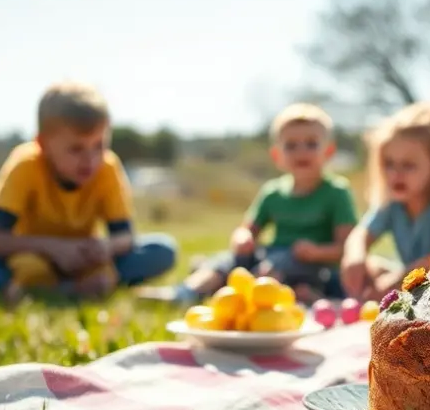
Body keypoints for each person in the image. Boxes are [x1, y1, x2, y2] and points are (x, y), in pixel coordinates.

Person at [0, 82, 177, 302]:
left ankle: (44, 289)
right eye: (76, 149)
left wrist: (105, 246)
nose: (91, 160)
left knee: (163, 250)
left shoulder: (108, 168)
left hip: (79, 263)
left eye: (99, 145)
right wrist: (52, 248)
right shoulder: (26, 165)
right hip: (12, 261)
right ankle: (51, 287)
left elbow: (125, 237)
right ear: (43, 144)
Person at [138, 103, 357, 304]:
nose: (301, 151)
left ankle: (240, 296)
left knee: (275, 272)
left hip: (312, 266)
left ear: (328, 151)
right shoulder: (273, 192)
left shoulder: (337, 192)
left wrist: (317, 252)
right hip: (272, 254)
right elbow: (248, 229)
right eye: (291, 145)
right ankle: (187, 292)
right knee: (229, 260)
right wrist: (243, 239)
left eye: (311, 144)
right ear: (277, 155)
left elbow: (346, 248)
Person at [339, 101, 430, 301]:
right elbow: (360, 235)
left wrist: (395, 280)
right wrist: (354, 257)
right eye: (389, 164)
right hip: (414, 279)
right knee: (372, 265)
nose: (396, 174)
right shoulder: (392, 204)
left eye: (408, 165)